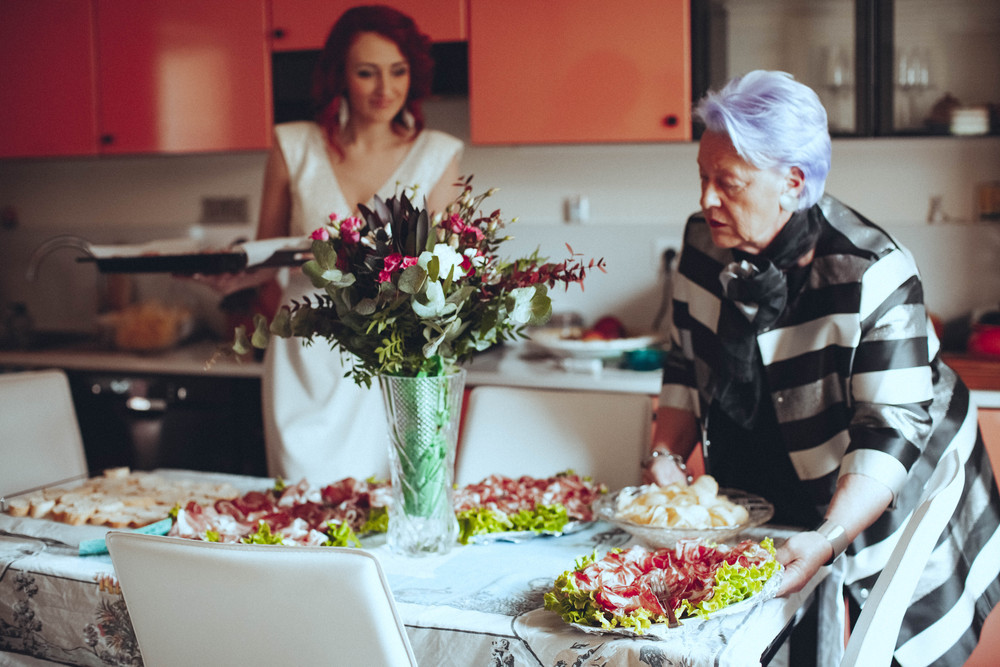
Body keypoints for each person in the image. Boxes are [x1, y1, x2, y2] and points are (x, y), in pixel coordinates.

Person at [644, 70, 999, 665]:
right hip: (775, 468)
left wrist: (830, 537)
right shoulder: (702, 242)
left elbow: (890, 429)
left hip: (888, 481)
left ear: (793, 181)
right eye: (702, 178)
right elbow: (686, 357)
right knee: (778, 630)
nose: (707, 200)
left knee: (887, 640)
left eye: (727, 183)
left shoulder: (870, 268)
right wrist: (665, 457)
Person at [217, 5, 462, 484]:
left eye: (398, 71)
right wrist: (225, 279)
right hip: (302, 360)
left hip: (395, 362)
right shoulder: (293, 147)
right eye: (366, 72)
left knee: (385, 513)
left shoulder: (438, 154)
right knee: (302, 513)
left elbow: (447, 275)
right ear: (341, 76)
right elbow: (267, 259)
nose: (384, 89)